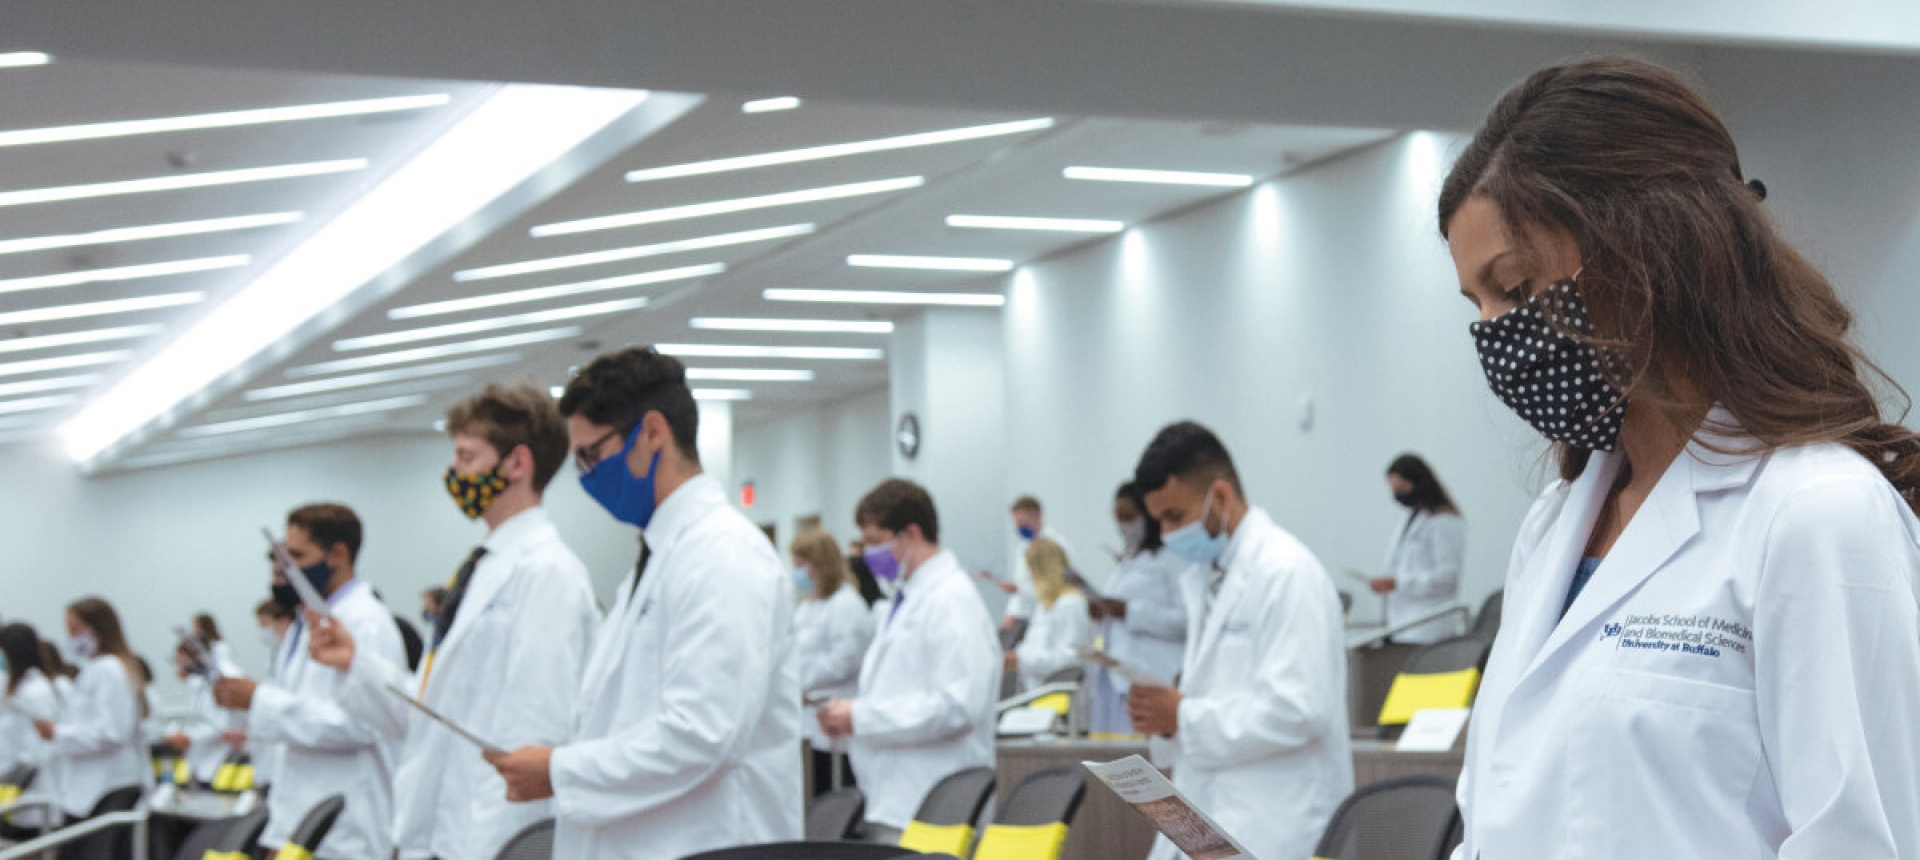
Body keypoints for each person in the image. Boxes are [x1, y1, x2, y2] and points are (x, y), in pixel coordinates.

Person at [1439, 57, 1920, 858]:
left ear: (1649, 250)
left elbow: (1866, 843)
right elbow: (1501, 823)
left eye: (1516, 290)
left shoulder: (1817, 514)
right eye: (1476, 305)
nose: (1496, 335)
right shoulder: (1555, 526)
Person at [482, 347, 801, 859]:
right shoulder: (661, 557)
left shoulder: (722, 555)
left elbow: (702, 734)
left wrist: (560, 769)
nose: (586, 475)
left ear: (653, 432)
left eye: (592, 454)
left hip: (705, 843)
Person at [307, 382, 601, 860]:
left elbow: (532, 735)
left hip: (487, 840)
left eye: (467, 457)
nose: (454, 472)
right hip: (439, 831)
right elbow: (434, 714)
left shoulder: (548, 573)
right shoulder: (483, 566)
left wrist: (496, 850)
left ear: (518, 463)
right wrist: (356, 664)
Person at [1127, 422, 1351, 860]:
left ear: (1221, 497)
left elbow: (1300, 710)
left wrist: (1183, 716)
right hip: (1213, 819)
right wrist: (1170, 718)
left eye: (1175, 517)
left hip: (1277, 826)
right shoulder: (1208, 578)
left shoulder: (1286, 573)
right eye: (1160, 522)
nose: (1168, 534)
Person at [213, 504, 406, 860]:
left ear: (337, 554)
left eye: (297, 556)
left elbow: (360, 725)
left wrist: (260, 701)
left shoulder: (366, 621)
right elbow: (297, 718)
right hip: (296, 820)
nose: (285, 570)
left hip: (345, 829)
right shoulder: (306, 624)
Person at [817, 479, 1000, 844]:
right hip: (898, 802)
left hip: (934, 806)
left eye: (875, 541)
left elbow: (958, 705)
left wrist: (860, 717)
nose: (868, 553)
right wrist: (852, 717)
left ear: (911, 533)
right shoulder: (905, 600)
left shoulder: (950, 600)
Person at [1087, 482, 1190, 736]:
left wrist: (1130, 612)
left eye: (1129, 516)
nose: (1122, 524)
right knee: (1113, 767)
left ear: (1148, 515)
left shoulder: (1172, 558)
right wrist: (1102, 614)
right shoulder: (1127, 562)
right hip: (1117, 680)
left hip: (1153, 678)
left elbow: (1188, 620)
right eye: (1118, 517)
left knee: (1144, 765)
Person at [33, 598, 149, 822]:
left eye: (75, 628)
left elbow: (113, 732)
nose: (71, 636)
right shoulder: (93, 669)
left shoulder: (110, 670)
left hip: (109, 785)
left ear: (99, 628)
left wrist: (58, 732)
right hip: (89, 787)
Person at [790, 528, 876, 795]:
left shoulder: (846, 605)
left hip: (835, 717)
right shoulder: (808, 606)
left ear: (819, 564)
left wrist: (800, 679)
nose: (798, 573)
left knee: (835, 793)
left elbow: (844, 660)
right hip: (808, 720)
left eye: (802, 565)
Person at [1368, 454, 1467, 644]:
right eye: (1394, 489)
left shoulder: (1444, 521)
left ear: (1419, 482)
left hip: (1428, 627)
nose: (1398, 494)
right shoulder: (1410, 518)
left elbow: (1448, 577)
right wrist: (1390, 583)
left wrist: (1399, 584)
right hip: (1403, 625)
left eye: (1402, 487)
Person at [1007, 538, 1093, 691]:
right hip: (1038, 693)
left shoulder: (1071, 604)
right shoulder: (1045, 605)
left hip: (1062, 701)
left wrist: (1022, 660)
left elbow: (1072, 659)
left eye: (1031, 568)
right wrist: (1017, 658)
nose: (1028, 574)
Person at [999, 496, 1076, 634]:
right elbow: (1021, 585)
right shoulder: (1023, 548)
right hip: (1025, 617)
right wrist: (1011, 613)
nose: (1018, 528)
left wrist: (1019, 588)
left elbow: (1058, 585)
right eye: (1016, 523)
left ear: (1036, 517)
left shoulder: (1056, 547)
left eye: (1022, 522)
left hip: (1051, 614)